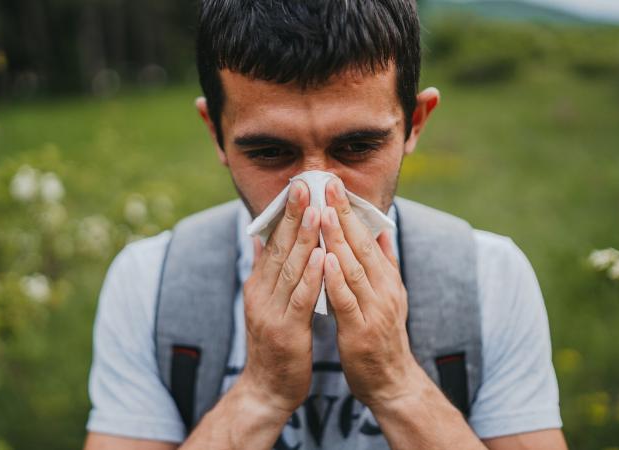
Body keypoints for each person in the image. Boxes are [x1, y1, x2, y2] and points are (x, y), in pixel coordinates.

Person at [83, 1, 567, 449]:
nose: (315, 193)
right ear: (216, 133)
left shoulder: (491, 278)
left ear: (414, 123)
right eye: (271, 152)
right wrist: (261, 394)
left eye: (356, 147)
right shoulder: (150, 284)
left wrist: (396, 385)